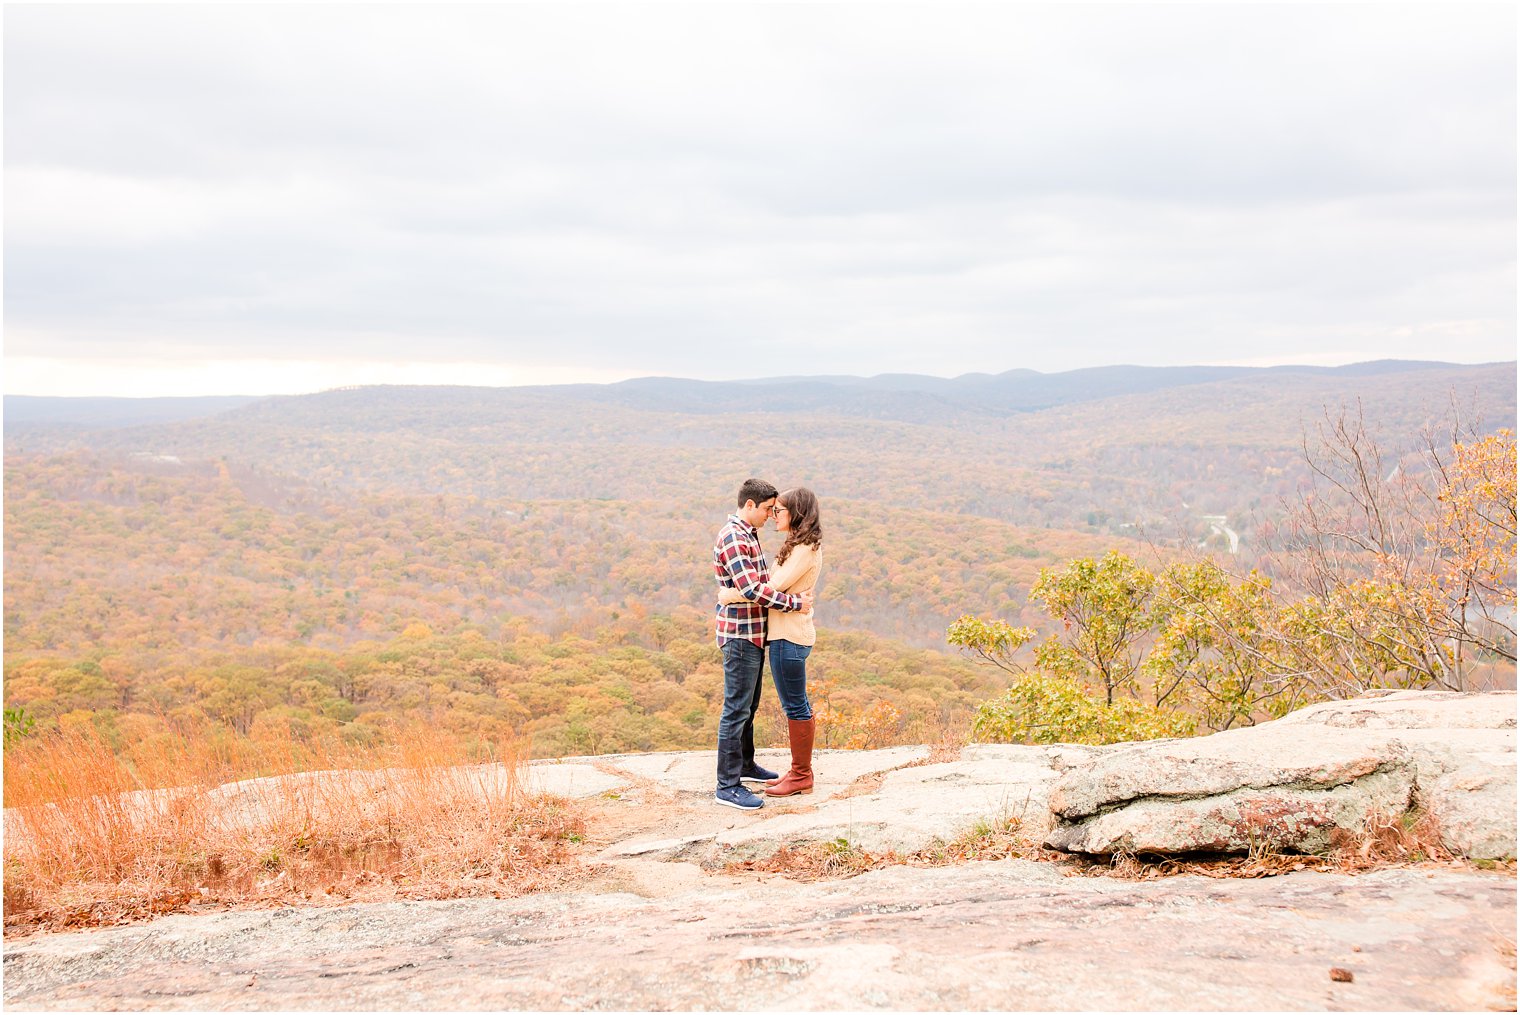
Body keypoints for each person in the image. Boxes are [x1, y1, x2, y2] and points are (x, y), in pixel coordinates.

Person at [712, 478, 813, 810]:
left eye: (776, 510)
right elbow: (754, 589)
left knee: (749, 707)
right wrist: (795, 603)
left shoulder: (748, 535)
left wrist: (730, 594)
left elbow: (758, 585)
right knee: (736, 709)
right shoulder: (733, 538)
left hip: (755, 632)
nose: (772, 515)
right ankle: (727, 785)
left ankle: (745, 763)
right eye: (769, 509)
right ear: (750, 505)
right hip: (740, 634)